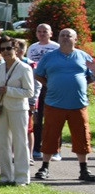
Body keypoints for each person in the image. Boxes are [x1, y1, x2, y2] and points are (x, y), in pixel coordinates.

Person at [34, 28, 95, 182]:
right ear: (58, 38)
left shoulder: (83, 56)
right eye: (63, 35)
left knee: (82, 136)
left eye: (69, 36)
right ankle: (44, 168)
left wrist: (81, 83)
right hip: (54, 104)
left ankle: (84, 170)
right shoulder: (49, 57)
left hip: (78, 104)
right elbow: (38, 74)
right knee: (50, 136)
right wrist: (50, 84)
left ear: (75, 39)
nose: (66, 38)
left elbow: (91, 75)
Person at [0, 34, 35, 185]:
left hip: (18, 109)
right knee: (3, 142)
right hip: (1, 107)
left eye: (9, 48)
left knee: (20, 142)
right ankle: (5, 176)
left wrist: (8, 90)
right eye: (2, 49)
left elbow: (29, 92)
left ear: (15, 49)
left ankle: (22, 178)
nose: (6, 51)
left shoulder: (24, 68)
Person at [27, 23, 61, 161]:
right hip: (36, 85)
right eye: (39, 31)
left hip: (52, 84)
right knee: (37, 117)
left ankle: (55, 150)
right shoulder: (32, 48)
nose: (42, 34)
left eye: (45, 31)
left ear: (51, 33)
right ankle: (37, 148)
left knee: (53, 117)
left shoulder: (56, 47)